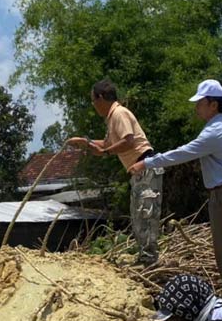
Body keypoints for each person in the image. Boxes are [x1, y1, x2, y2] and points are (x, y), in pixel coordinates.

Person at [128, 80, 222, 298]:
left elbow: (183, 153)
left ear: (213, 104)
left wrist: (147, 163)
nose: (197, 108)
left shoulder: (215, 132)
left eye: (200, 103)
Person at [67, 80, 163, 266]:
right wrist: (85, 142)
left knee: (146, 213)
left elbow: (128, 140)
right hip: (138, 169)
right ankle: (146, 257)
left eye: (93, 101)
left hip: (145, 166)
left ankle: (149, 259)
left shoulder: (119, 113)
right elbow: (107, 144)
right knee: (138, 214)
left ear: (101, 98)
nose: (94, 106)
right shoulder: (112, 118)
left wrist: (106, 152)